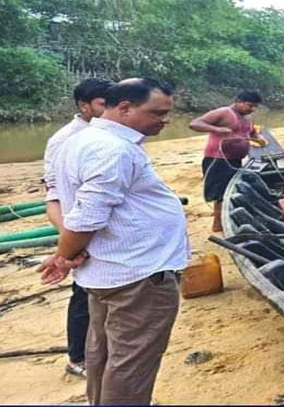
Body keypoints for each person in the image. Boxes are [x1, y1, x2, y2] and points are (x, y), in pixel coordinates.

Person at [38, 78, 190, 405]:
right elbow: (87, 215)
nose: (165, 120)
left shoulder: (84, 139)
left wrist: (69, 251)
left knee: (104, 354)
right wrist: (64, 255)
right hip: (136, 276)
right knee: (131, 364)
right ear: (124, 108)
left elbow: (63, 202)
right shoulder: (112, 149)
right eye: (157, 112)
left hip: (111, 271)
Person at [43, 77, 114, 379]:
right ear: (83, 106)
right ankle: (78, 357)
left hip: (97, 230)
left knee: (101, 297)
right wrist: (71, 240)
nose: (108, 109)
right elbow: (54, 196)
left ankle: (97, 354)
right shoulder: (66, 139)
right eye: (102, 104)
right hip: (81, 231)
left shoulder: (105, 134)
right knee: (83, 295)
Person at [189, 90, 268, 232]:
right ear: (239, 101)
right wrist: (216, 129)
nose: (252, 109)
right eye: (249, 105)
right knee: (219, 193)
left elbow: (251, 133)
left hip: (235, 159)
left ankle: (227, 220)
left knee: (230, 190)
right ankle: (217, 224)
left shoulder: (247, 118)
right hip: (218, 159)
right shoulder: (224, 112)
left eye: (255, 107)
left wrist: (259, 138)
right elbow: (195, 123)